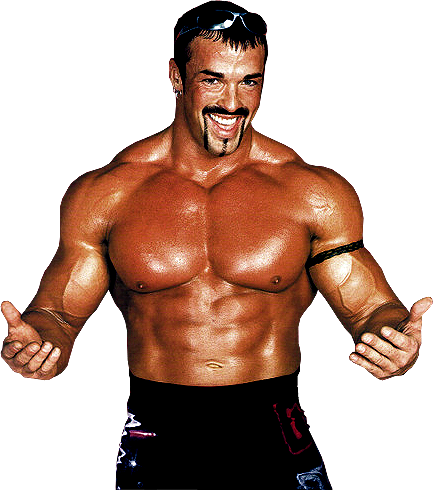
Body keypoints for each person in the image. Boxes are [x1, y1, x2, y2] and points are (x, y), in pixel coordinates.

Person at [1, 2, 431, 488]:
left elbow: (369, 307)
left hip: (271, 429)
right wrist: (40, 343)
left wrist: (391, 337)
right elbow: (58, 314)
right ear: (177, 78)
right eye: (213, 80)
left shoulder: (311, 192)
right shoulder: (109, 194)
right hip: (157, 430)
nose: (233, 102)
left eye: (249, 81)